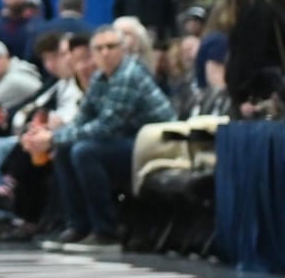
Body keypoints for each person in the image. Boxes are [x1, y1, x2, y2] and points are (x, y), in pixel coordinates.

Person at [23, 21, 174, 251]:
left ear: (123, 50)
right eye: (100, 48)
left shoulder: (128, 75)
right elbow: (82, 119)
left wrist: (52, 138)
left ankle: (106, 232)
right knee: (66, 150)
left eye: (111, 47)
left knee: (85, 151)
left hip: (159, 145)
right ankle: (78, 226)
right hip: (132, 140)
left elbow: (106, 127)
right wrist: (52, 136)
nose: (105, 53)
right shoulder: (99, 78)